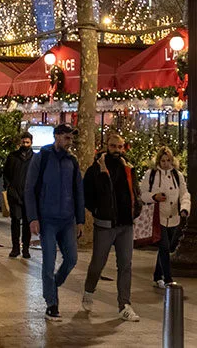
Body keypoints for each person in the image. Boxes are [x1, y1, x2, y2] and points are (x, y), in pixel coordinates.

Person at [24, 122, 85, 323]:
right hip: (48, 220)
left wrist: (80, 220)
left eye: (71, 138)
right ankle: (52, 303)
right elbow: (30, 189)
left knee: (72, 259)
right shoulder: (42, 158)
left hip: (67, 219)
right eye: (67, 137)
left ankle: (53, 284)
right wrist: (33, 217)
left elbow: (78, 191)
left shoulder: (72, 162)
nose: (70, 142)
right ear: (56, 136)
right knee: (48, 263)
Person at [82, 131, 143, 322]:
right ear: (106, 146)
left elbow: (136, 191)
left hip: (126, 224)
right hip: (105, 224)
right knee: (98, 263)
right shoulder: (97, 168)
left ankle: (124, 305)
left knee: (125, 265)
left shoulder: (129, 168)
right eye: (113, 146)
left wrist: (136, 208)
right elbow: (87, 193)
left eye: (120, 146)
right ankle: (89, 291)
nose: (117, 150)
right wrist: (98, 210)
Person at [143, 146, 190, 288]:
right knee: (164, 246)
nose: (165, 163)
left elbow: (184, 193)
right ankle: (168, 279)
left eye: (168, 160)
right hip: (158, 217)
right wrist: (154, 197)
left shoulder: (177, 175)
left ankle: (157, 276)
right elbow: (143, 193)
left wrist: (185, 208)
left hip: (173, 217)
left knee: (166, 247)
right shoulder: (151, 174)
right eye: (163, 160)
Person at [2, 132, 34, 258]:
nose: (25, 144)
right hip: (14, 194)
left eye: (27, 142)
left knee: (27, 223)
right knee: (15, 221)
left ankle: (25, 249)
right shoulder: (12, 157)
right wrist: (9, 188)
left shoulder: (35, 158)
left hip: (29, 195)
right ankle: (15, 248)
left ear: (31, 143)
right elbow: (6, 173)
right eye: (23, 142)